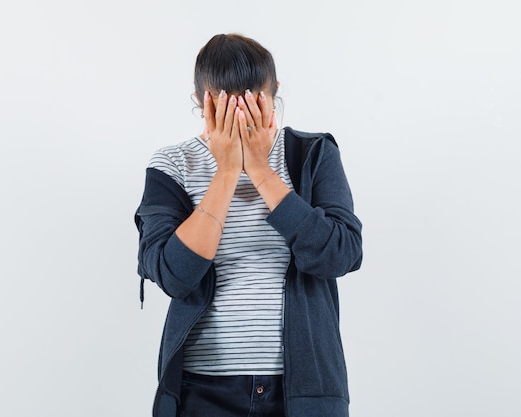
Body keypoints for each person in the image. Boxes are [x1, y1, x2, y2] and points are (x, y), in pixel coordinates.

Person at [134, 33, 363, 417]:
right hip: (200, 390)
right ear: (201, 103)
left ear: (274, 97)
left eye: (253, 105)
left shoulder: (313, 154)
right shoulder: (173, 165)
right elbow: (174, 275)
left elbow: (341, 254)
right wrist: (226, 172)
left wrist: (258, 169)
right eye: (226, 110)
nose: (241, 122)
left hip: (303, 388)